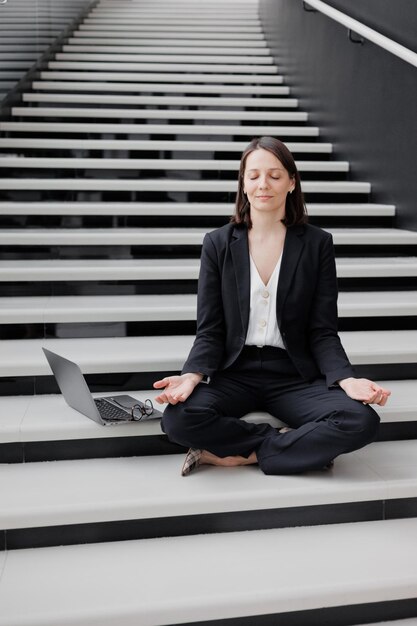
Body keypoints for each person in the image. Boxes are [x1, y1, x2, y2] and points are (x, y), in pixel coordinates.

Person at [153, 136, 391, 476]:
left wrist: (346, 379)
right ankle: (286, 443)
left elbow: (322, 330)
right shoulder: (218, 244)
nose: (263, 184)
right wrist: (192, 375)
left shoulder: (317, 244)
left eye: (275, 175)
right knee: (178, 420)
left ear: (292, 183)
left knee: (360, 420)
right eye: (254, 175)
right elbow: (210, 329)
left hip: (293, 375)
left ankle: (238, 455)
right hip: (235, 372)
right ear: (243, 184)